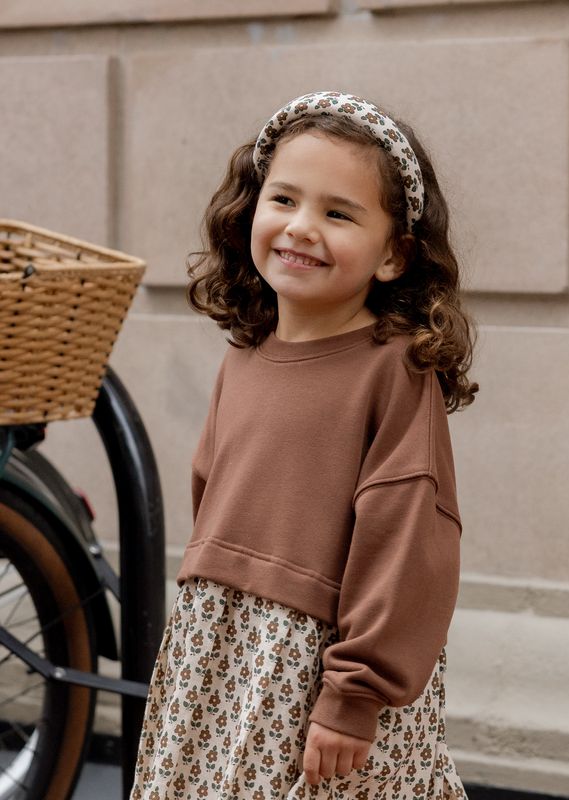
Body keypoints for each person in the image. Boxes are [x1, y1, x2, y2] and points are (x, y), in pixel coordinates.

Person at [131, 90, 478, 800]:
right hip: (217, 648)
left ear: (394, 255)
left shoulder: (394, 370)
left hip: (322, 668)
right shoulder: (245, 354)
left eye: (338, 213)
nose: (301, 227)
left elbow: (407, 538)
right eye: (284, 199)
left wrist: (356, 694)